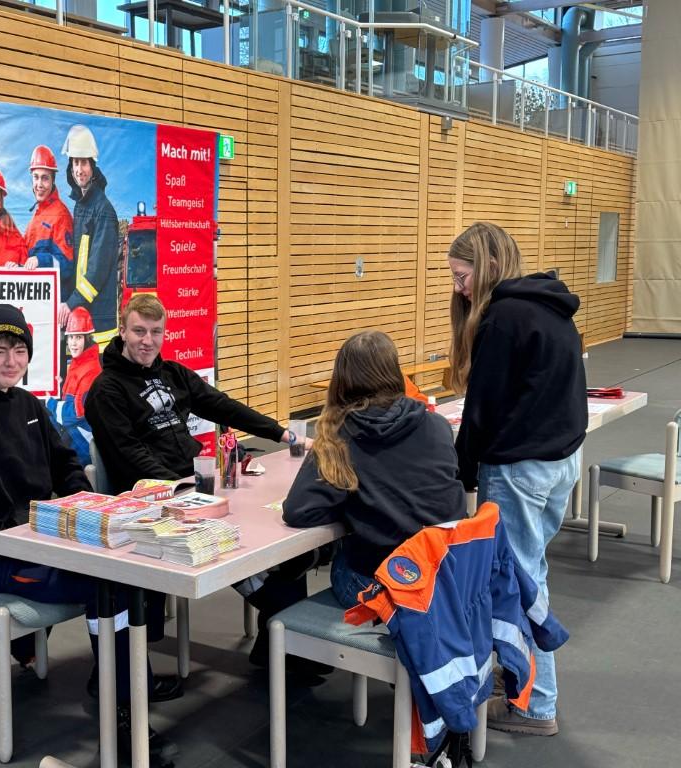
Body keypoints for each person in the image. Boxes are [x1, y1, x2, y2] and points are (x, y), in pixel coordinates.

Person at [0, 304, 179, 764]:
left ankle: (121, 685)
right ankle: (123, 712)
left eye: (19, 351)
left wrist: (83, 502)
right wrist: (19, 535)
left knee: (126, 569)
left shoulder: (27, 404)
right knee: (110, 585)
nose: (10, 361)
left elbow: (65, 463)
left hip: (34, 543)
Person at [85, 293, 321, 674]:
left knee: (286, 545)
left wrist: (285, 435)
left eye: (156, 332)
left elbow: (223, 406)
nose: (148, 341)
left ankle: (283, 649)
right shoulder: (106, 390)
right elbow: (129, 456)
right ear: (123, 331)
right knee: (263, 563)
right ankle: (290, 647)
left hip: (195, 491)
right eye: (139, 331)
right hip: (156, 504)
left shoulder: (173, 374)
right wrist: (184, 490)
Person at [447, 221, 586, 737]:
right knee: (529, 572)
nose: (458, 287)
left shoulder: (503, 318)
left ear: (488, 267)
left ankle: (536, 706)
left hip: (520, 469)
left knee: (519, 583)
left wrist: (459, 476)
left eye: (462, 276)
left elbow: (480, 412)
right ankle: (520, 677)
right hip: (559, 462)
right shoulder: (551, 307)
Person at [281, 330, 465, 608]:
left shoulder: (338, 436)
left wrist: (353, 507)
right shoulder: (437, 426)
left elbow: (298, 511)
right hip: (446, 574)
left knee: (336, 559)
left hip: (381, 583)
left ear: (341, 379)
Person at [62, 124, 119, 347]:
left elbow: (97, 270)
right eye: (75, 163)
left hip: (99, 322)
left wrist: (71, 303)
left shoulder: (103, 209)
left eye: (84, 162)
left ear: (93, 166)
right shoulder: (81, 206)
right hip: (83, 315)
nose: (79, 169)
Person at [46, 306, 101, 466]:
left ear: (87, 339)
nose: (73, 343)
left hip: (81, 446)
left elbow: (75, 414)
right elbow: (71, 398)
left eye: (78, 337)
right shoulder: (79, 362)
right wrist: (59, 387)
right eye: (71, 337)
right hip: (73, 437)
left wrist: (50, 403)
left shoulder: (91, 371)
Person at [24, 145, 74, 293]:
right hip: (34, 296)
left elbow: (67, 265)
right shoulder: (35, 217)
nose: (39, 184)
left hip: (53, 300)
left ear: (53, 180)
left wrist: (40, 260)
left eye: (45, 178)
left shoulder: (61, 214)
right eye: (36, 177)